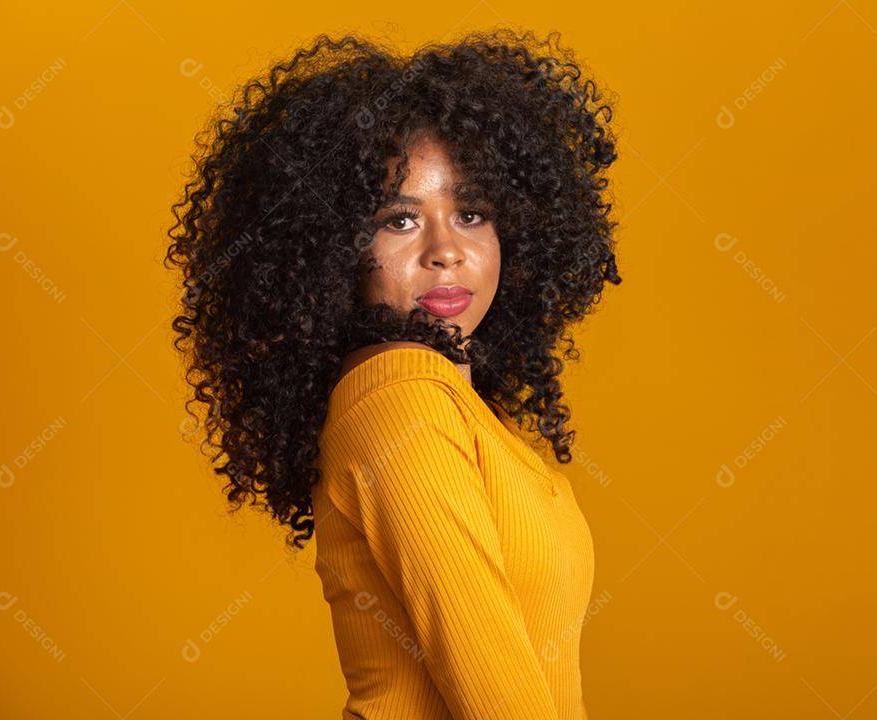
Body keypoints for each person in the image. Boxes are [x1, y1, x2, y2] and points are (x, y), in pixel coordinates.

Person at [165, 28, 621, 719]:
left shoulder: (456, 408)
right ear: (332, 249)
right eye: (400, 220)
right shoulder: (400, 398)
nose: (447, 251)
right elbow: (495, 688)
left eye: (471, 213)